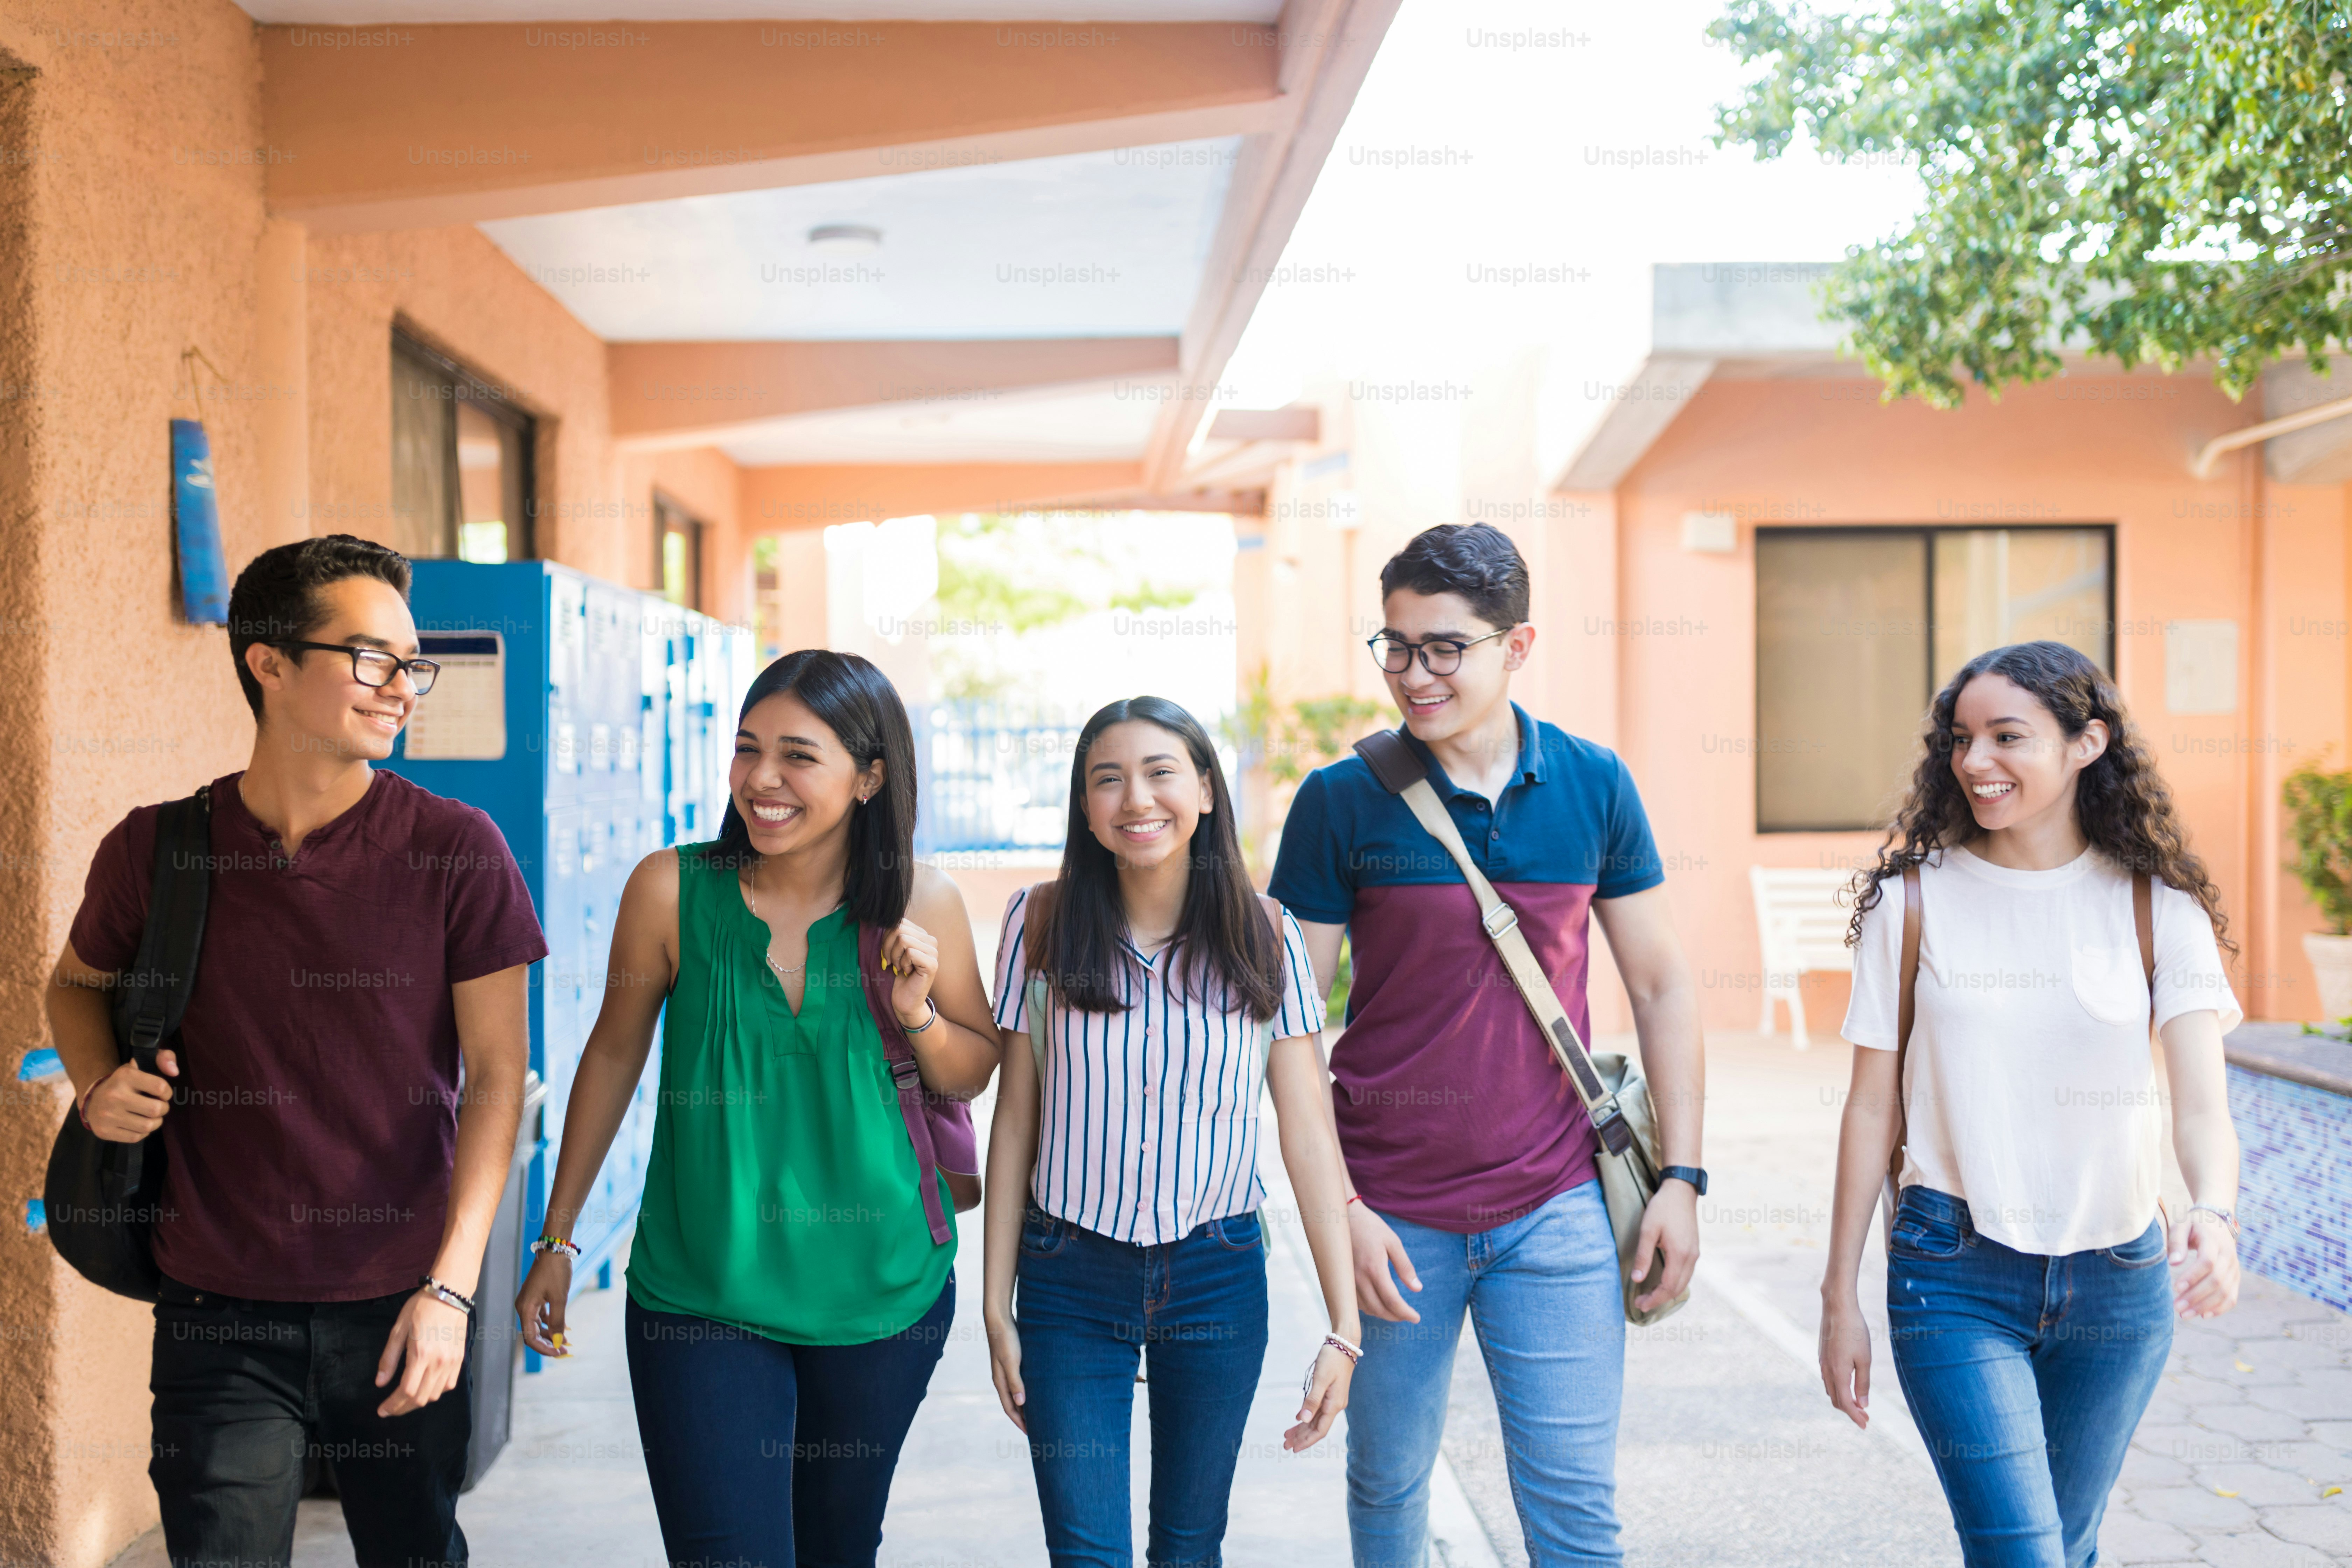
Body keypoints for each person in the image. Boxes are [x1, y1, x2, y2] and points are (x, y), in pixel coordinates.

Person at [48, 535, 546, 1568]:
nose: (403, 688)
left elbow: (499, 1080)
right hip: (215, 1308)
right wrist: (99, 1084)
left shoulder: (457, 851)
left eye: (414, 665)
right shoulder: (158, 848)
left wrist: (451, 1292)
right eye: (373, 659)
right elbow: (76, 987)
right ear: (268, 662)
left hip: (402, 1303)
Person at [1268, 522, 1705, 1568]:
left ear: (1519, 644)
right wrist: (1344, 1214)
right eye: (1397, 646)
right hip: (1393, 1220)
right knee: (1387, 1490)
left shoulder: (1594, 784)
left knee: (1573, 1513)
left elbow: (1660, 983)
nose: (1415, 675)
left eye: (1446, 647)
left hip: (1556, 1209)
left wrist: (1684, 1176)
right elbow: (1287, 1024)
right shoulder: (1338, 803)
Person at [515, 648, 999, 1568]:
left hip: (882, 1293)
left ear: (871, 776)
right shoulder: (670, 890)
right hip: (701, 1290)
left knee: (836, 1547)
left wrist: (917, 1013)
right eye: (746, 750)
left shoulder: (920, 900)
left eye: (797, 756)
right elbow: (614, 1052)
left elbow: (970, 1070)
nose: (761, 780)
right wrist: (559, 1237)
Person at [1820, 639, 2241, 1568]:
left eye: (2008, 737)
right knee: (2023, 1553)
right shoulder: (1913, 903)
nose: (1976, 762)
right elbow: (1868, 1111)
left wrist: (2214, 1211)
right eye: (1962, 738)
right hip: (1953, 1271)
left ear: (2087, 743)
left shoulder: (2156, 908)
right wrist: (1837, 1293)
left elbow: (2204, 1108)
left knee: (2070, 1544)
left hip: (2119, 1284)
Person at [981, 694, 1360, 1568]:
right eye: (1106, 780)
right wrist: (997, 1308)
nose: (1136, 799)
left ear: (1204, 789)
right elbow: (1015, 1126)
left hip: (1215, 1276)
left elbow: (1307, 1134)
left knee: (1190, 1549)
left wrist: (1345, 1324)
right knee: (1086, 1554)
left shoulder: (1269, 935)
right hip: (1067, 1279)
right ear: (1085, 807)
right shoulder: (1038, 924)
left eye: (1159, 772)